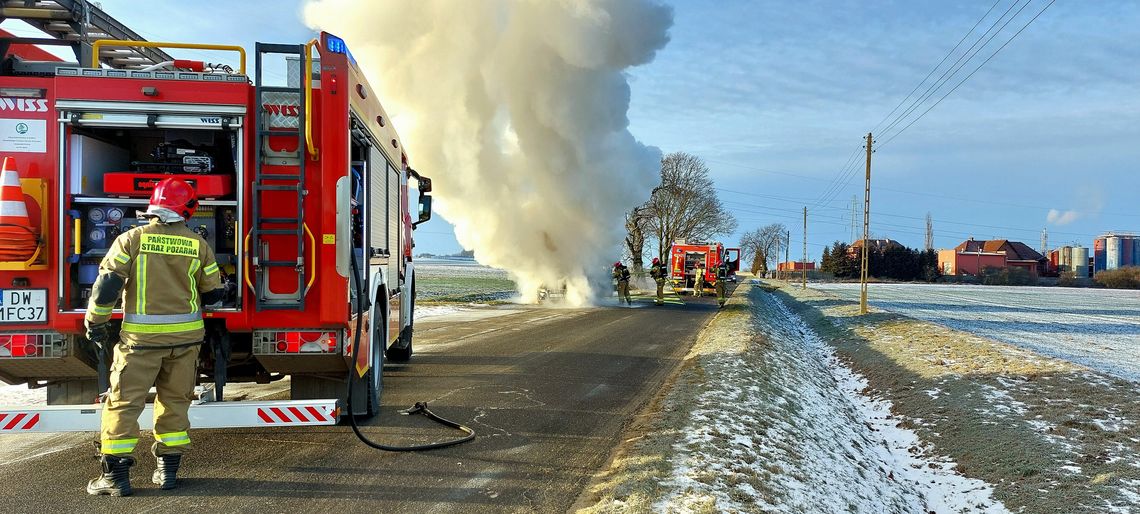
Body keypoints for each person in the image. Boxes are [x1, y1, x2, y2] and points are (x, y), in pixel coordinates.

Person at [85, 178, 224, 496]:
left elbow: (107, 286)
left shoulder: (131, 239)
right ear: (189, 209)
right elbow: (213, 292)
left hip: (140, 344)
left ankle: (115, 478)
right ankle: (167, 474)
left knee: (124, 404)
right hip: (186, 342)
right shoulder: (197, 244)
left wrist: (96, 322)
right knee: (175, 402)